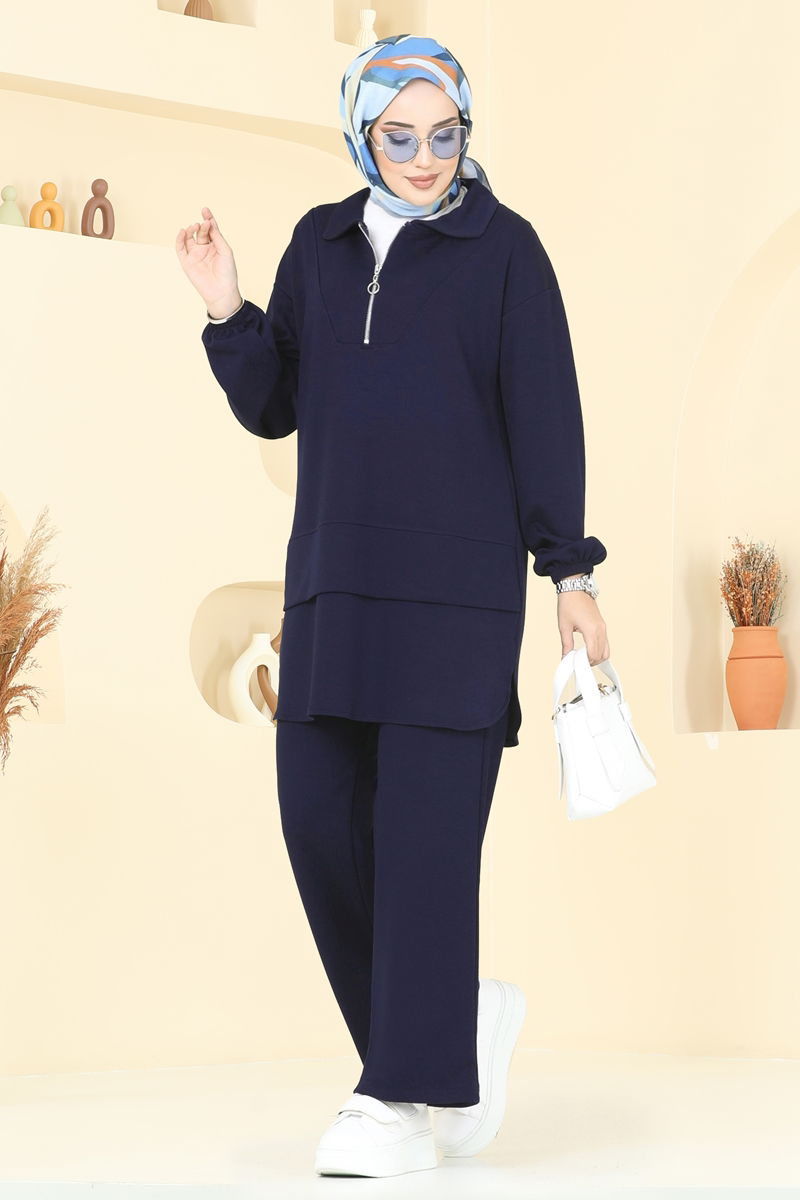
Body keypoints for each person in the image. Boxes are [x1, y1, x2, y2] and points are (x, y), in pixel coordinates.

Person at [176, 33, 609, 1179]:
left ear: (465, 130)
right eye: (399, 136)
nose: (423, 157)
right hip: (333, 589)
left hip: (457, 604)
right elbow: (275, 405)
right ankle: (445, 1025)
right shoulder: (319, 246)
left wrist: (569, 574)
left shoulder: (504, 251)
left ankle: (393, 1100)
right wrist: (226, 310)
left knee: (422, 850)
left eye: (443, 134)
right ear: (361, 134)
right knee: (318, 825)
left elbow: (545, 418)